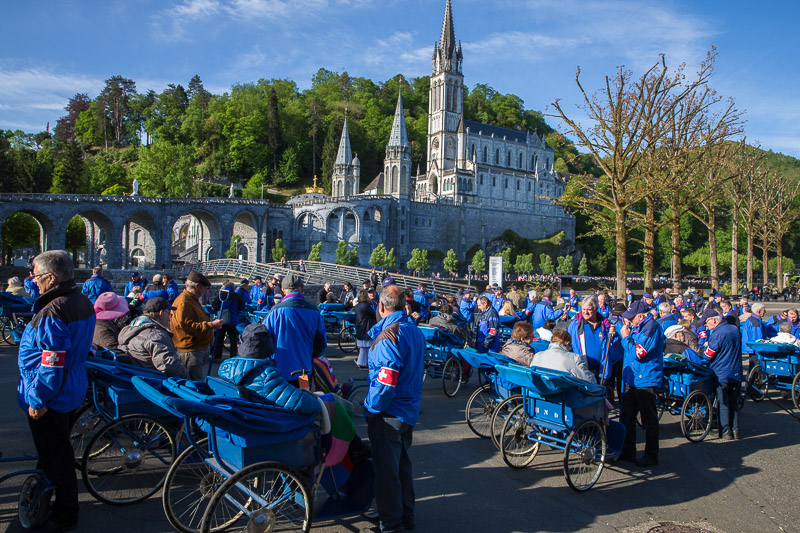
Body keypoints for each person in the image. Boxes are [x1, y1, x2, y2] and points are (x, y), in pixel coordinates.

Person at [17, 250, 95, 531]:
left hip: (53, 393)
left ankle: (65, 512)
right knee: (55, 451)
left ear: (51, 278)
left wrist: (38, 398)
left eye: (36, 276)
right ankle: (53, 497)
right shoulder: (81, 300)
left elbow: (52, 363)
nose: (33, 281)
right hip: (70, 386)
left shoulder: (53, 310)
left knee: (57, 456)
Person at [364, 284, 425, 533]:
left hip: (389, 412)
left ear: (380, 306)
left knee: (387, 474)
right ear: (404, 305)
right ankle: (405, 517)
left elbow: (387, 378)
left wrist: (372, 407)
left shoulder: (390, 334)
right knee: (401, 468)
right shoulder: (414, 330)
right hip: (409, 409)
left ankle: (390, 523)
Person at [218, 323, 320, 414]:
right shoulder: (266, 376)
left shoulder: (226, 368)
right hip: (261, 424)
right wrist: (322, 403)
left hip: (237, 420)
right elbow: (300, 402)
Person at [619, 300, 665, 467]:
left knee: (649, 420)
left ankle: (651, 455)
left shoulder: (651, 328)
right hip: (634, 378)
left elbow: (639, 352)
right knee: (627, 416)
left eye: (631, 318)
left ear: (640, 316)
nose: (629, 321)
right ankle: (628, 451)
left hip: (646, 378)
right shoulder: (639, 327)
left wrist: (625, 338)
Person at [263, 274, 327, 386]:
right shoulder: (314, 312)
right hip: (304, 371)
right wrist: (309, 355)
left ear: (283, 290)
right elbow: (321, 343)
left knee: (282, 401)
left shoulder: (274, 312)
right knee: (304, 399)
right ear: (302, 288)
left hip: (280, 370)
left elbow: (264, 339)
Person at [118, 297, 190, 378]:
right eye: (169, 314)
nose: (170, 318)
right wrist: (188, 378)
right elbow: (169, 365)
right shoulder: (157, 336)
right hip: (151, 382)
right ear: (161, 314)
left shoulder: (132, 328)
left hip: (135, 378)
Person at [171, 271, 223, 380]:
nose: (204, 292)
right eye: (204, 288)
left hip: (196, 349)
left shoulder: (191, 299)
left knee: (197, 380)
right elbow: (186, 326)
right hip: (190, 350)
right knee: (194, 383)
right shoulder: (184, 302)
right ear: (197, 286)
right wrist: (210, 325)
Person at [703, 310, 743, 440]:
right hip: (735, 370)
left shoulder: (718, 333)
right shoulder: (734, 329)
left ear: (714, 320)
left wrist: (705, 349)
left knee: (723, 402)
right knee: (733, 402)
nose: (706, 325)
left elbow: (708, 355)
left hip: (721, 372)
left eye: (706, 322)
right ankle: (735, 429)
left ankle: (726, 430)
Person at [567, 297, 620, 386]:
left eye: (589, 309)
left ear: (595, 309)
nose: (585, 312)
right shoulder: (575, 324)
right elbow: (567, 344)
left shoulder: (605, 324)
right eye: (583, 309)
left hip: (602, 371)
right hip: (582, 372)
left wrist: (614, 335)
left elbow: (614, 343)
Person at [530, 328, 596, 383]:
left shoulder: (537, 356)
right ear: (568, 343)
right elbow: (589, 381)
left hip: (538, 395)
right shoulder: (574, 358)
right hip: (563, 396)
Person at [211, 281, 245, 361]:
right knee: (233, 340)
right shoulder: (237, 296)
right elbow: (242, 307)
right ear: (233, 288)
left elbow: (213, 307)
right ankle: (232, 357)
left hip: (222, 319)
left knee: (219, 338)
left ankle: (217, 356)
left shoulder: (221, 295)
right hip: (234, 320)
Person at [354, 289, 377, 368]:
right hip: (367, 327)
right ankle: (363, 362)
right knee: (367, 348)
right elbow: (374, 315)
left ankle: (362, 362)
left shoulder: (357, 306)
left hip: (361, 327)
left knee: (363, 349)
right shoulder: (366, 306)